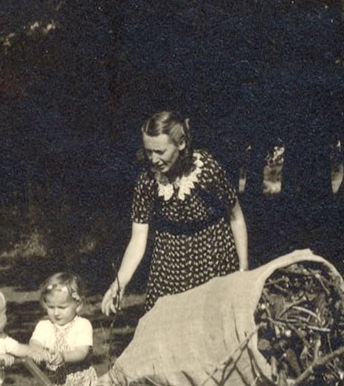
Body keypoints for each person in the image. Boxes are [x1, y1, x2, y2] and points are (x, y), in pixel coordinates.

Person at [101, 110, 249, 315]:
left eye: (160, 152)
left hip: (212, 258)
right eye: (148, 151)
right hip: (168, 264)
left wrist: (242, 270)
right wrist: (119, 283)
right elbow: (138, 238)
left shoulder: (207, 170)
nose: (153, 159)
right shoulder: (147, 181)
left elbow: (236, 218)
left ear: (181, 144)